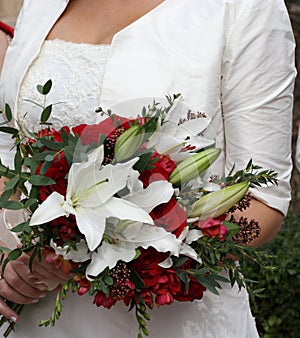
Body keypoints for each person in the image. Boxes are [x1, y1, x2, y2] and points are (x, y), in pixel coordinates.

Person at [0, 0, 296, 337]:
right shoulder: (41, 4)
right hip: (35, 309)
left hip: (169, 317)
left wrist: (142, 251)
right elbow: (9, 151)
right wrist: (11, 250)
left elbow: (263, 203)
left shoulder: (244, 7)